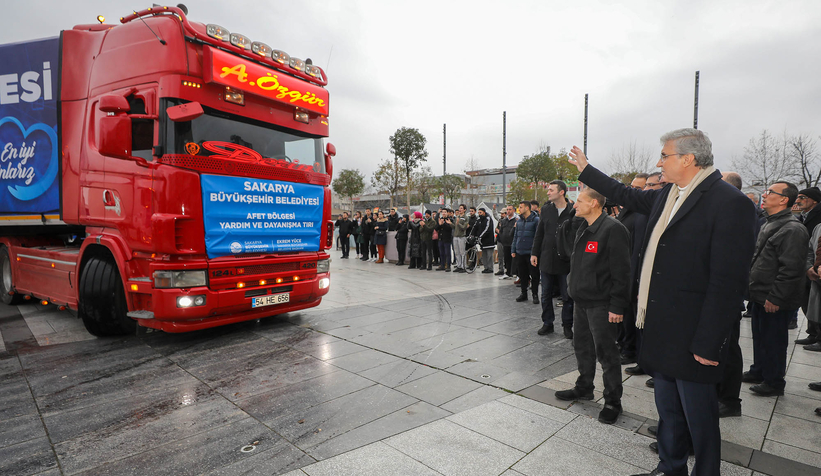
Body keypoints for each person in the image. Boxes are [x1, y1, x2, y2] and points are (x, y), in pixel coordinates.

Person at [568, 128, 756, 476]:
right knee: (668, 410)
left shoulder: (730, 204)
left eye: (664, 155)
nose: (659, 162)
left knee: (700, 419)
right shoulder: (667, 195)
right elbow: (623, 192)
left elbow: (728, 283)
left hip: (695, 333)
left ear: (688, 159)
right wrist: (586, 169)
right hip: (660, 326)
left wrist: (709, 340)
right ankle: (670, 468)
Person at [554, 187, 631, 425]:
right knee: (582, 347)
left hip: (602, 304)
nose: (575, 205)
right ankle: (584, 386)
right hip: (581, 301)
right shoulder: (583, 227)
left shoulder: (613, 229)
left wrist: (617, 306)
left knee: (607, 353)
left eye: (580, 201)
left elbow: (622, 272)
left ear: (595, 204)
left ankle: (612, 401)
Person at [742, 182, 808, 396]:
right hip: (760, 294)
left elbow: (791, 268)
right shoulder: (770, 222)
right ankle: (759, 370)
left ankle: (773, 381)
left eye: (770, 192)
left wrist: (776, 297)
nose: (765, 194)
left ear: (783, 199)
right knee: (761, 336)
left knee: (774, 340)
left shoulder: (792, 228)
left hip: (774, 297)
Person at [532, 180, 576, 338]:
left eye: (551, 190)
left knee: (567, 296)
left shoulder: (573, 211)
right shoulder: (545, 209)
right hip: (547, 259)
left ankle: (567, 325)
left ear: (561, 192)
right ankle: (547, 323)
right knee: (545, 294)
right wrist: (534, 253)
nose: (548, 192)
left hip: (565, 261)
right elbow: (539, 233)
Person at [795, 187, 821, 340]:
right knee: (806, 299)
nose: (798, 201)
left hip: (816, 264)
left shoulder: (818, 215)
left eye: (803, 197)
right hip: (807, 261)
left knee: (815, 300)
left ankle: (818, 335)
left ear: (815, 200)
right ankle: (812, 333)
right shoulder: (803, 215)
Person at [511, 201, 540, 303]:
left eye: (521, 207)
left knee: (534, 275)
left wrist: (535, 252)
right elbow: (516, 236)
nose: (519, 209)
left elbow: (538, 237)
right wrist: (513, 249)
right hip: (520, 251)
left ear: (527, 208)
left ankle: (535, 294)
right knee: (523, 275)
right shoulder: (519, 221)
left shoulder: (536, 220)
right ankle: (524, 293)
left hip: (531, 253)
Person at [470, 208, 496, 274]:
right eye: (478, 213)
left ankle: (490, 268)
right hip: (482, 241)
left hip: (489, 241)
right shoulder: (478, 219)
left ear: (484, 212)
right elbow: (474, 227)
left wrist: (480, 236)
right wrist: (472, 235)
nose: (479, 214)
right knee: (484, 255)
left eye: (480, 212)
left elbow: (487, 229)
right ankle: (486, 267)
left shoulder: (488, 218)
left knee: (489, 255)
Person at [496, 205, 517, 280]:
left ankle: (515, 272)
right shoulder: (504, 220)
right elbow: (501, 230)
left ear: (514, 210)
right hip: (505, 242)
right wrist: (502, 238)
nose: (508, 211)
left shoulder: (516, 220)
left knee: (514, 258)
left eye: (510, 209)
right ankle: (508, 273)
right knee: (507, 258)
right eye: (507, 209)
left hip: (513, 242)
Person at [452, 205, 469, 273]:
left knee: (462, 252)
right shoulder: (457, 217)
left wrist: (458, 223)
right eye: (459, 208)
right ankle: (458, 265)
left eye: (461, 208)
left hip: (462, 236)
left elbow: (464, 227)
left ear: (464, 210)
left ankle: (463, 266)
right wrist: (450, 223)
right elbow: (455, 226)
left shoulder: (466, 218)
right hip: (455, 236)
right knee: (457, 252)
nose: (460, 209)